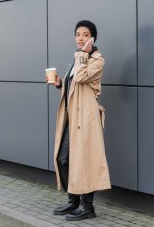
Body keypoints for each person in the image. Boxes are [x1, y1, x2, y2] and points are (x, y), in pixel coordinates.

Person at [45, 20, 111, 221]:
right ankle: (73, 200)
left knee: (85, 161)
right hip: (72, 116)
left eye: (85, 34)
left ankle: (87, 207)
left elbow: (82, 78)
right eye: (77, 34)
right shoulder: (76, 60)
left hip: (87, 118)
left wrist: (82, 55)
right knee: (63, 158)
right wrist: (59, 84)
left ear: (92, 38)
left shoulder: (97, 60)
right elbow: (74, 87)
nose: (80, 38)